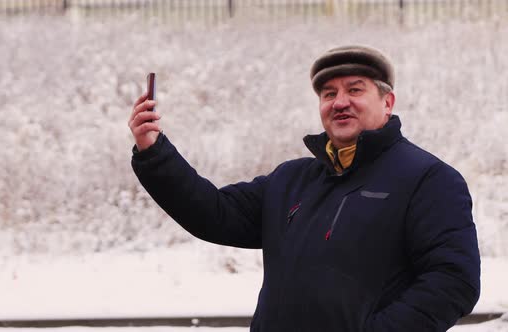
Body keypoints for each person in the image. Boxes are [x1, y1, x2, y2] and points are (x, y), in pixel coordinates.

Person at [128, 45, 481, 331]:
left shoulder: (428, 179)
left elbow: (453, 282)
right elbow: (214, 213)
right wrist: (154, 151)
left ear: (387, 103)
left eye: (355, 89)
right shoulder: (290, 180)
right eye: (328, 93)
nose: (339, 102)